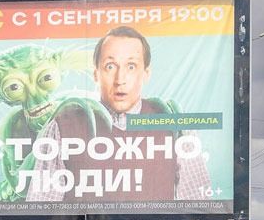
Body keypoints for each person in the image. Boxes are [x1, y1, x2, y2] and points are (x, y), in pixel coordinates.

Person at [28, 25, 212, 203]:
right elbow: (41, 208)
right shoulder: (62, 126)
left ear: (146, 74)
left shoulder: (177, 126)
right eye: (110, 66)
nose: (120, 79)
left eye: (131, 66)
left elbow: (198, 207)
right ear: (96, 74)